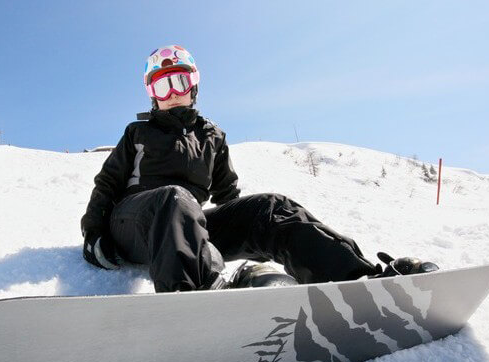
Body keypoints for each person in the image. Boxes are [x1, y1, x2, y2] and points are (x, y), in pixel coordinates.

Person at [81, 45, 436, 292]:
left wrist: (245, 223)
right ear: (152, 93)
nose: (173, 92)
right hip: (136, 223)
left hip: (185, 227)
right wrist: (94, 236)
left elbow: (229, 199)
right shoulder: (139, 133)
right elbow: (108, 183)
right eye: (162, 84)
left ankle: (354, 278)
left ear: (195, 86)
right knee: (176, 199)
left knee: (270, 207)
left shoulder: (213, 137)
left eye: (181, 81)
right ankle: (194, 297)